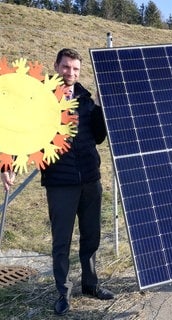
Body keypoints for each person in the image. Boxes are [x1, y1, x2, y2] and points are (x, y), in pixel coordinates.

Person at [1, 48, 114, 315]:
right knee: (61, 242)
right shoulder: (40, 98)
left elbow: (98, 137)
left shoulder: (85, 99)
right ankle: (63, 294)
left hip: (90, 179)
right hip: (59, 181)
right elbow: (21, 133)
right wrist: (7, 166)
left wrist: (99, 108)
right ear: (56, 66)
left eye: (75, 69)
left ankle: (91, 285)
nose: (70, 73)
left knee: (92, 237)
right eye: (66, 67)